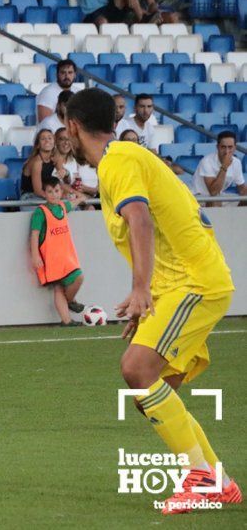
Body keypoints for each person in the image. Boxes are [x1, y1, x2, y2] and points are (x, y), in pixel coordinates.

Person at [65, 87, 241, 515]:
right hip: (183, 283)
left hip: (194, 282)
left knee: (137, 369)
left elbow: (140, 219)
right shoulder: (126, 157)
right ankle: (215, 478)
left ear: (72, 127)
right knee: (156, 392)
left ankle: (201, 480)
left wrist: (141, 289)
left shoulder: (118, 161)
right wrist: (153, 298)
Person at [29, 176, 85, 326]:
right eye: (50, 191)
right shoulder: (41, 212)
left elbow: (77, 200)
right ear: (44, 194)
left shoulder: (62, 207)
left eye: (57, 190)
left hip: (66, 256)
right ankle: (67, 319)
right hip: (52, 258)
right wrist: (35, 256)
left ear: (61, 192)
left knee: (78, 278)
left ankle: (70, 301)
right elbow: (34, 234)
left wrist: (77, 194)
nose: (54, 194)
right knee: (60, 287)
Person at [193, 131, 246, 207]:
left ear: (235, 148)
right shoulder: (207, 161)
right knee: (216, 200)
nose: (227, 151)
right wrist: (224, 166)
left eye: (230, 147)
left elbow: (242, 189)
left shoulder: (236, 162)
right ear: (217, 147)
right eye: (223, 147)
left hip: (219, 196)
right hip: (200, 197)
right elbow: (213, 192)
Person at [52, 127, 90, 208]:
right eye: (62, 139)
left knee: (90, 208)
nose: (66, 143)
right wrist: (79, 195)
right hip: (57, 201)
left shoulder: (73, 160)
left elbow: (71, 182)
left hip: (72, 199)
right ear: (55, 141)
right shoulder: (51, 159)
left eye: (69, 139)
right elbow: (59, 184)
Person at [20, 128, 56, 200]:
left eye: (50, 138)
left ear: (54, 143)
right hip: (30, 197)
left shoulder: (53, 160)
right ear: (38, 145)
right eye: (43, 139)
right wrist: (55, 198)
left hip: (46, 196)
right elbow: (38, 191)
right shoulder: (37, 162)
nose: (47, 140)